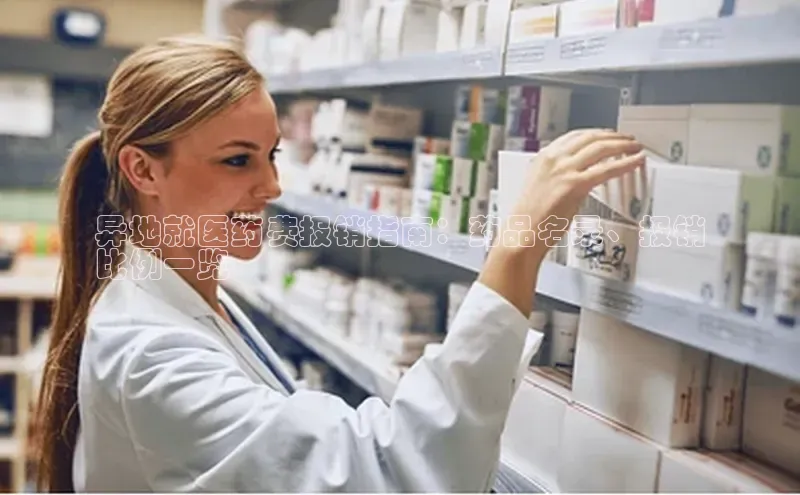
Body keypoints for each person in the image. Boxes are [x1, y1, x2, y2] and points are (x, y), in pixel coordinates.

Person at [36, 35, 644, 493]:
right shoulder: (149, 353)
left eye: (272, 155)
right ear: (143, 170)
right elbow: (391, 472)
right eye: (237, 160)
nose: (272, 186)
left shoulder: (183, 295)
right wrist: (520, 242)